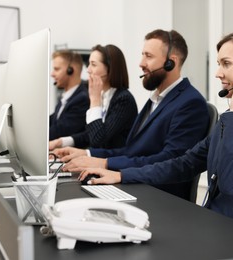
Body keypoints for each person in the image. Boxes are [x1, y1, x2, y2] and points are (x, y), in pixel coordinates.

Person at [76, 29, 233, 233]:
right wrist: (121, 175)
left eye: (226, 63)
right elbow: (184, 163)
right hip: (212, 223)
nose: (217, 73)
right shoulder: (229, 120)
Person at [53, 29, 210, 200]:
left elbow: (170, 161)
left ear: (170, 62)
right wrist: (88, 155)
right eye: (142, 55)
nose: (141, 63)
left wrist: (105, 163)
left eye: (148, 56)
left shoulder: (190, 103)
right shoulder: (156, 100)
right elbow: (131, 151)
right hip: (136, 186)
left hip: (159, 197)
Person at [49, 44, 138, 150]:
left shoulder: (123, 100)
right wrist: (62, 142)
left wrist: (95, 100)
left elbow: (98, 139)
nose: (88, 70)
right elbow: (90, 134)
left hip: (115, 164)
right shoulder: (105, 96)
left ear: (110, 69)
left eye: (93, 65)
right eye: (89, 64)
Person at [49, 50, 90, 140]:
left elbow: (57, 133)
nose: (52, 74)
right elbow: (53, 120)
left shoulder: (82, 99)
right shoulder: (67, 97)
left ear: (70, 70)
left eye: (56, 69)